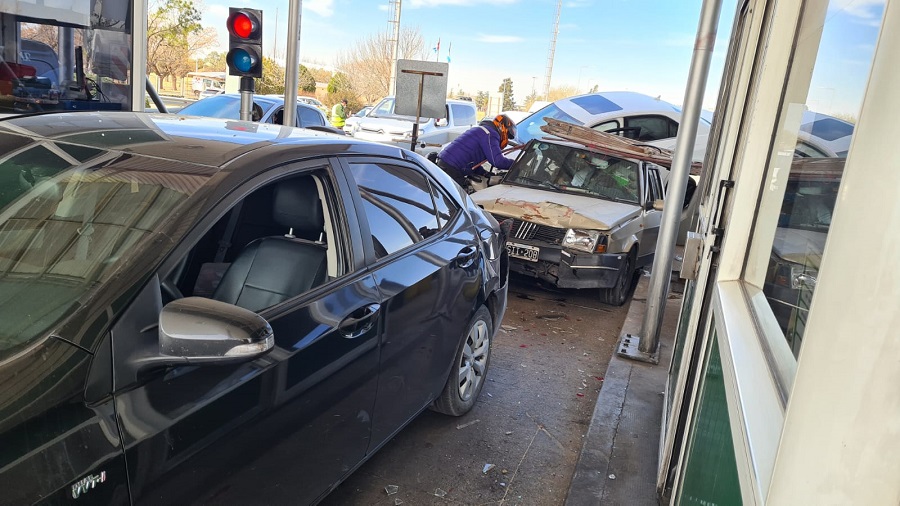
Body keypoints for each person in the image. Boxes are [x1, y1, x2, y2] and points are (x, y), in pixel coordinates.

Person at [434, 114, 517, 188]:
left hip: (445, 164)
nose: (507, 139)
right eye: (508, 136)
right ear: (503, 128)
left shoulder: (483, 131)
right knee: (462, 198)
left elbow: (472, 160)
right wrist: (517, 165)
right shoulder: (490, 134)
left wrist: (484, 173)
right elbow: (498, 161)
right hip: (452, 168)